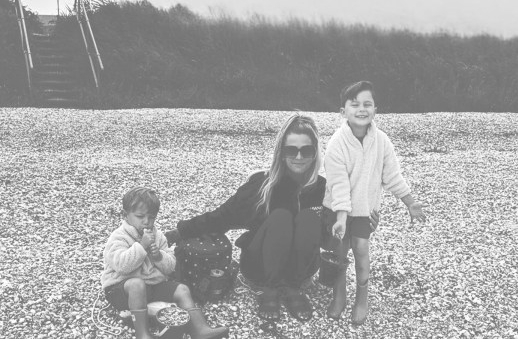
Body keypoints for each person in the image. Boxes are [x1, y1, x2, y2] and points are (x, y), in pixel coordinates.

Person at [166, 113, 330, 322]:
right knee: (281, 217)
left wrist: (363, 228)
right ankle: (269, 289)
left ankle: (292, 288)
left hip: (301, 272)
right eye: (291, 150)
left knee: (308, 217)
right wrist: (177, 233)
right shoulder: (263, 185)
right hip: (260, 266)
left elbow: (330, 238)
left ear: (315, 153)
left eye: (306, 150)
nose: (298, 157)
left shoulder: (323, 189)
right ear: (281, 153)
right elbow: (221, 216)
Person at [323, 81, 427, 326]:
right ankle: (339, 294)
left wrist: (410, 202)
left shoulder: (382, 141)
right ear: (343, 111)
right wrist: (340, 217)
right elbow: (338, 183)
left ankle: (362, 297)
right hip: (336, 209)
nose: (361, 109)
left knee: (361, 251)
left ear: (375, 109)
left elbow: (391, 176)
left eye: (367, 104)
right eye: (355, 104)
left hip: (364, 211)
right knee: (339, 252)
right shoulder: (337, 143)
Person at [101, 186, 228, 339]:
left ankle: (200, 330)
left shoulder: (158, 236)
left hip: (152, 287)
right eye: (140, 216)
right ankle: (143, 334)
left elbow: (170, 267)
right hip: (121, 291)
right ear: (126, 215)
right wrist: (141, 246)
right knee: (136, 284)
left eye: (152, 217)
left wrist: (158, 257)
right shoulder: (119, 237)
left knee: (182, 289)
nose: (147, 222)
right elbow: (122, 266)